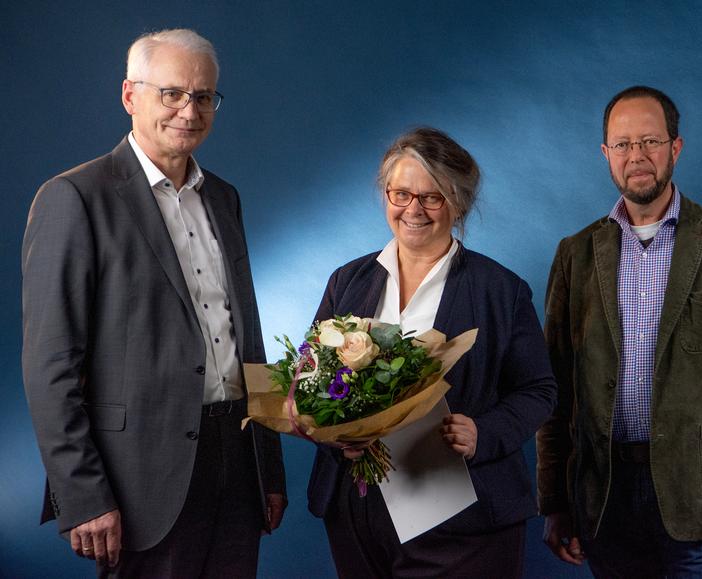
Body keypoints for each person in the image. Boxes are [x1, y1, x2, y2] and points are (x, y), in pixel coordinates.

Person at [22, 29, 286, 577]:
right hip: (138, 478)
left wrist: (269, 468)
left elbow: (247, 337)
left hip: (238, 463)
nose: (189, 111)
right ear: (129, 96)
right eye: (172, 93)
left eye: (204, 96)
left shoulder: (224, 197)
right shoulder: (74, 197)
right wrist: (83, 493)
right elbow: (50, 366)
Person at [536, 85, 702, 577]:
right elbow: (556, 390)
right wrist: (555, 500)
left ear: (676, 146)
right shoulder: (575, 254)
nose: (637, 156)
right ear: (606, 154)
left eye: (650, 141)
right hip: (604, 499)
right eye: (623, 145)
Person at [306, 127, 557, 578]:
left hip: (464, 522)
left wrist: (484, 432)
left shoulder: (502, 290)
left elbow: (538, 389)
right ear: (386, 195)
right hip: (358, 514)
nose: (413, 210)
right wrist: (334, 436)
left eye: (432, 197)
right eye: (401, 194)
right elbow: (308, 383)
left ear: (458, 203)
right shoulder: (347, 281)